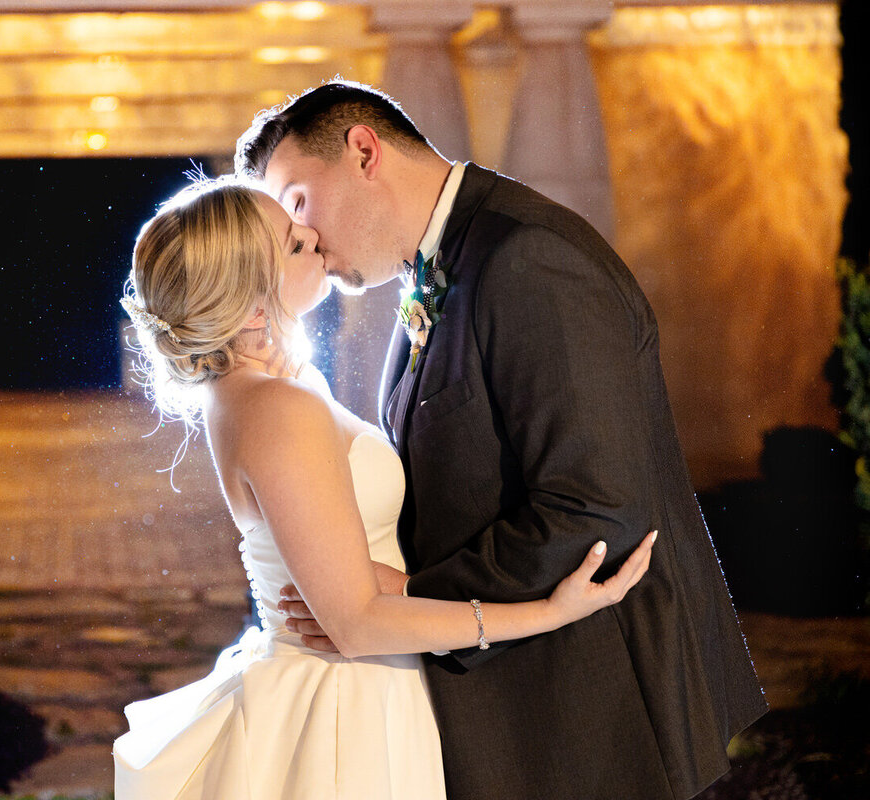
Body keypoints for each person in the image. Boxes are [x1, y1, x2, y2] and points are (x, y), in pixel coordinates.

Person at [234, 80, 768, 800]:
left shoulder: (529, 258)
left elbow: (596, 508)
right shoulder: (441, 267)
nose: (304, 239)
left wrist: (404, 599)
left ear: (364, 151)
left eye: (297, 201)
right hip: (528, 715)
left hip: (599, 721)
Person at [111, 178, 658, 800]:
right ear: (250, 304)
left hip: (357, 687)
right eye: (292, 245)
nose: (312, 236)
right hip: (344, 713)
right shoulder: (276, 407)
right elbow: (357, 625)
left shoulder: (261, 386)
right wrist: (547, 613)